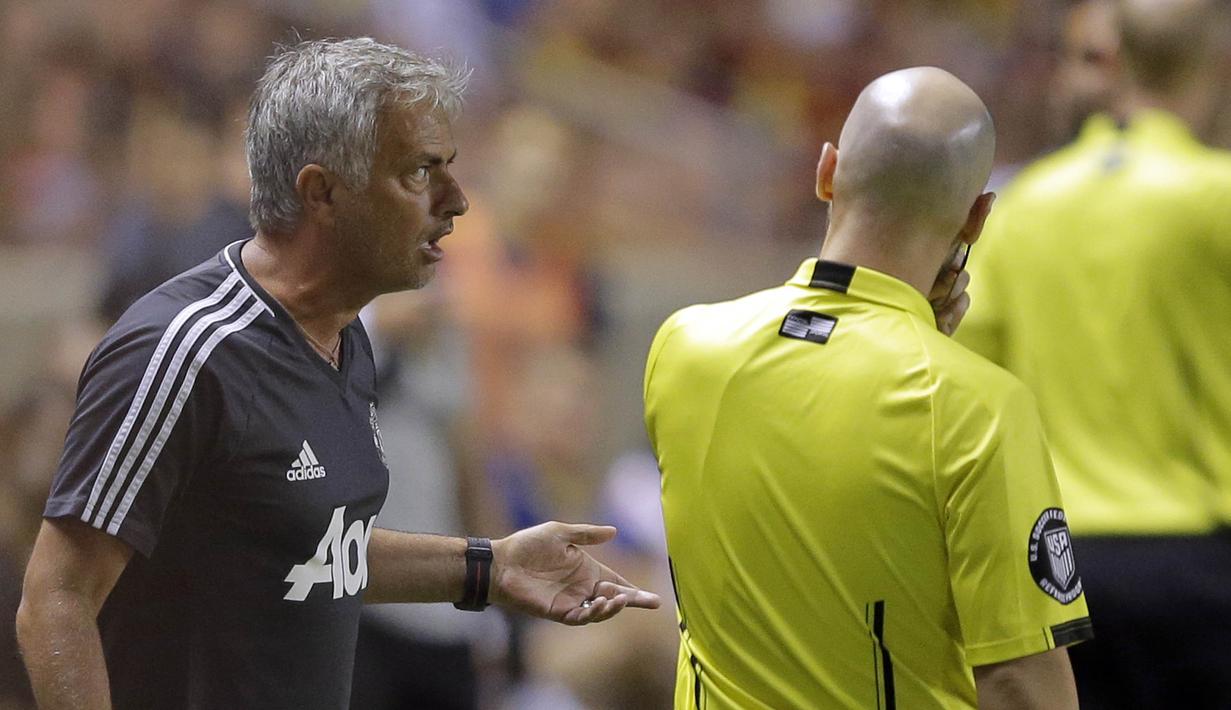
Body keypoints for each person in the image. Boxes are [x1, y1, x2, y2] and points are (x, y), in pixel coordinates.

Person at [15, 38, 660, 710]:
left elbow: (310, 549)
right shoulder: (186, 350)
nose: (457, 202)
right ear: (321, 192)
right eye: (419, 173)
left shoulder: (343, 337)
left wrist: (489, 567)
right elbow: (55, 600)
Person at [644, 67, 1093, 710]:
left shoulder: (683, 345)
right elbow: (1022, 685)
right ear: (976, 218)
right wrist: (927, 352)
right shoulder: (977, 407)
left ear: (827, 171)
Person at [956, 1, 1231, 707]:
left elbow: (970, 380)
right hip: (1199, 561)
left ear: (1119, 63)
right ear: (1214, 66)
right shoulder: (1215, 197)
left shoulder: (1023, 204)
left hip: (1056, 566)